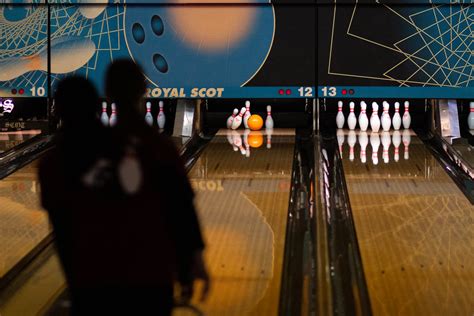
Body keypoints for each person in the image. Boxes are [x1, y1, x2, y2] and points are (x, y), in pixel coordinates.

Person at [39, 70, 209, 315]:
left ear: (57, 110)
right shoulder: (148, 148)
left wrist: (75, 283)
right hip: (149, 273)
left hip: (91, 277)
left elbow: (63, 231)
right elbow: (179, 206)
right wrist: (187, 264)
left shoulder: (51, 164)